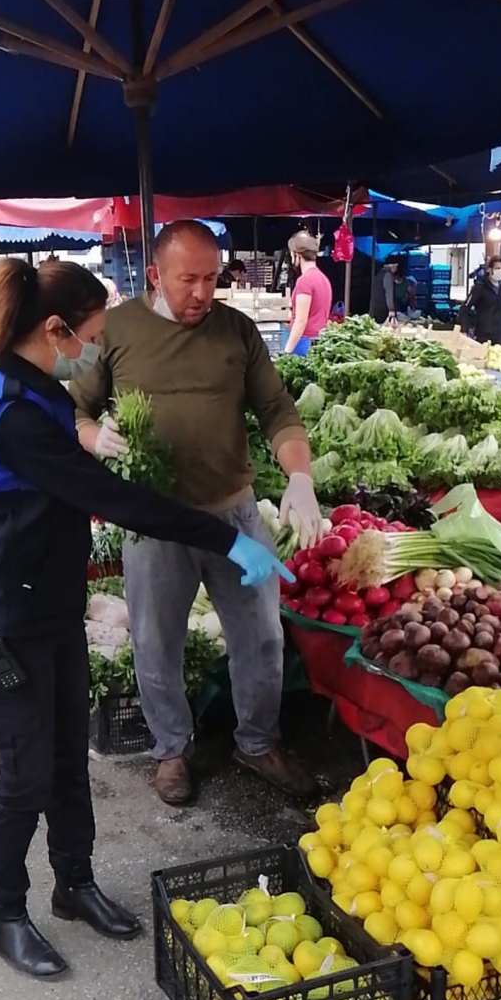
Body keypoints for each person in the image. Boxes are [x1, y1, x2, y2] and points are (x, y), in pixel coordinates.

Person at [0, 256, 290, 979]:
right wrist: (226, 536)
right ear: (54, 329)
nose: (95, 347)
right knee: (25, 777)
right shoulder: (12, 413)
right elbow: (116, 500)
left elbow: (86, 456)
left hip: (51, 611)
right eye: (91, 334)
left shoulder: (38, 389)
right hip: (6, 621)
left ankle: (74, 884)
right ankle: (3, 912)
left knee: (69, 760)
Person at [72, 220, 323, 809]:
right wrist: (93, 436)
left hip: (233, 515)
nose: (203, 293)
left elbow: (277, 409)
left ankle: (258, 743)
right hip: (153, 519)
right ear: (156, 275)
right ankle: (170, 751)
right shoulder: (118, 329)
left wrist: (302, 477)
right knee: (157, 641)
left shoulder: (235, 329)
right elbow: (73, 408)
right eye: (189, 279)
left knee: (262, 637)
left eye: (212, 278)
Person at [283, 231, 332, 355]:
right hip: (320, 341)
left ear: (297, 255)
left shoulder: (304, 281)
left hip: (304, 343)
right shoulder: (323, 279)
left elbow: (301, 321)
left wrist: (287, 351)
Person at [460, 256, 501, 345]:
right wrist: (464, 329)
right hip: (483, 333)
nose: (500, 271)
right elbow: (464, 308)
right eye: (497, 268)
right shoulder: (480, 286)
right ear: (489, 270)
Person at [369, 254, 402, 324]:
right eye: (396, 267)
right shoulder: (388, 275)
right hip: (382, 310)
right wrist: (391, 310)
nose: (396, 269)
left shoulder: (379, 274)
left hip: (375, 308)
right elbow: (389, 293)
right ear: (393, 265)